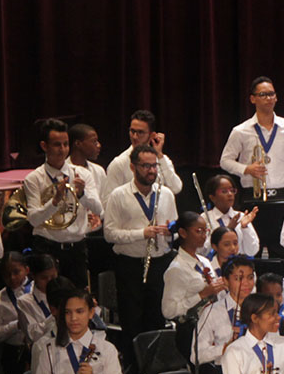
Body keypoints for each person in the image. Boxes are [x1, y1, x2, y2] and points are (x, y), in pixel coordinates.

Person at [102, 144, 176, 343]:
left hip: (160, 264)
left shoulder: (166, 194)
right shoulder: (118, 195)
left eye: (154, 166)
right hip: (130, 266)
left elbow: (175, 229)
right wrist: (141, 233)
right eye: (145, 166)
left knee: (157, 319)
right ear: (133, 167)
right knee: (132, 321)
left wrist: (171, 233)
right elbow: (109, 234)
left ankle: (154, 361)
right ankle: (132, 362)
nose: (151, 170)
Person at [24, 119, 102, 286]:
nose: (62, 149)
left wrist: (82, 194)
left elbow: (98, 209)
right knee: (48, 296)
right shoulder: (34, 178)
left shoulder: (82, 174)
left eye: (66, 144)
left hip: (77, 249)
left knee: (77, 296)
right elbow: (33, 220)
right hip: (47, 248)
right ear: (44, 146)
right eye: (57, 145)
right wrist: (54, 201)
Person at [219, 77, 284, 201]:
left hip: (281, 194)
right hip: (251, 194)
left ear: (276, 97)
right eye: (263, 94)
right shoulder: (240, 130)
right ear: (253, 99)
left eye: (271, 94)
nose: (268, 98)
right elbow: (225, 161)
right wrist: (246, 169)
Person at [160, 211, 224, 323]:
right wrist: (202, 294)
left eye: (206, 231)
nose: (204, 236)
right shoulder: (177, 269)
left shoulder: (204, 261)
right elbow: (168, 311)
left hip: (212, 321)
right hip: (191, 326)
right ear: (183, 233)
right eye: (199, 231)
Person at [104, 109, 184, 194]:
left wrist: (159, 156)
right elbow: (109, 199)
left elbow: (176, 188)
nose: (134, 137)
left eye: (140, 132)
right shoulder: (119, 164)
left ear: (152, 135)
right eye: (132, 131)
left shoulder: (162, 160)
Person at [201, 174, 261, 257]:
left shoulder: (241, 216)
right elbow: (202, 251)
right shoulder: (204, 218)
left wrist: (245, 228)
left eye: (232, 190)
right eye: (224, 191)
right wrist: (228, 229)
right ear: (212, 197)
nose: (230, 194)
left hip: (238, 263)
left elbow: (252, 251)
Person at [65, 123, 107, 200]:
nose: (98, 145)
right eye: (94, 141)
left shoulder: (99, 171)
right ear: (78, 143)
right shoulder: (62, 170)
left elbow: (104, 202)